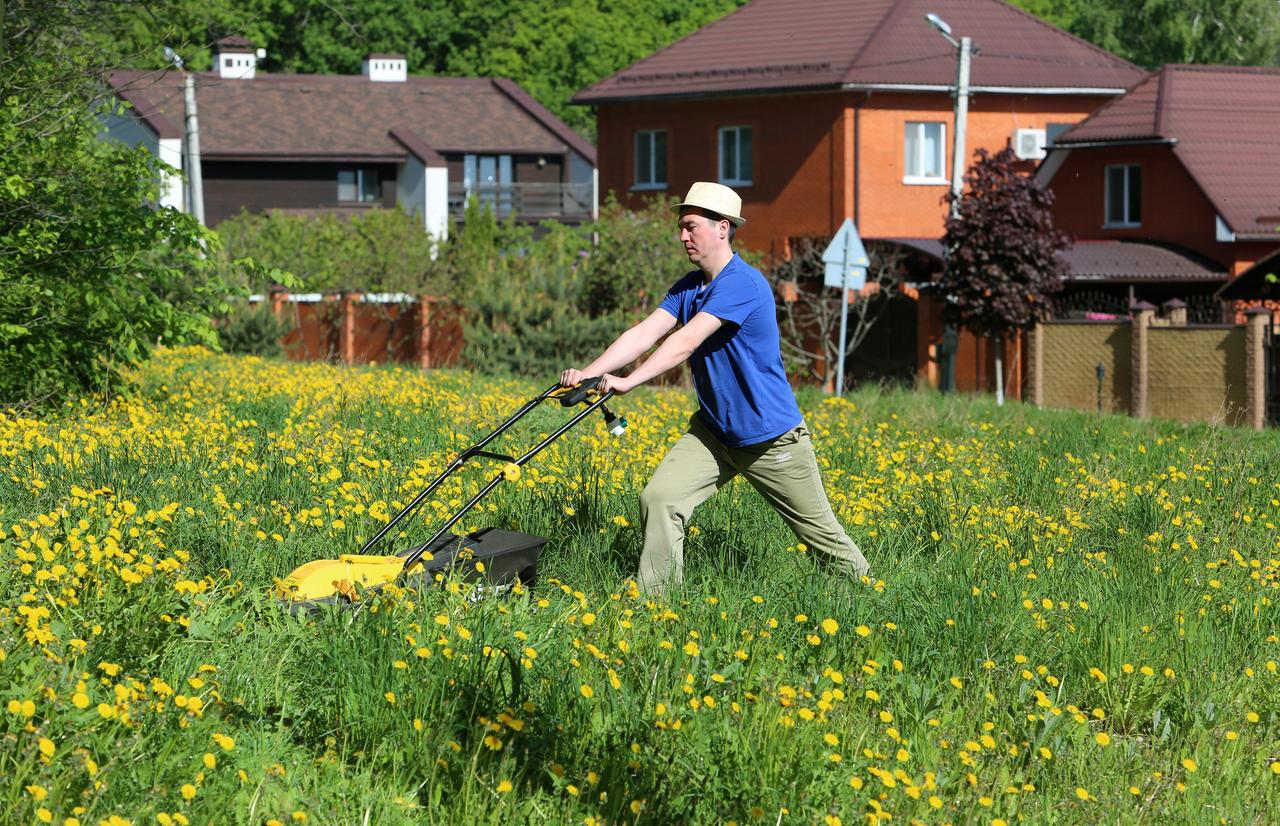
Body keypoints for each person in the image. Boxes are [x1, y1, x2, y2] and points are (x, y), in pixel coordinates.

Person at [560, 182, 870, 594]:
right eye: (681, 227)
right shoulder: (689, 286)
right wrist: (588, 373)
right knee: (660, 499)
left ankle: (871, 594)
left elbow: (687, 340)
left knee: (822, 538)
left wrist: (630, 381)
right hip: (714, 434)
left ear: (722, 228)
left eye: (691, 226)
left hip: (770, 439)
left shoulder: (743, 283)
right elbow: (644, 333)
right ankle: (656, 602)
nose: (682, 236)